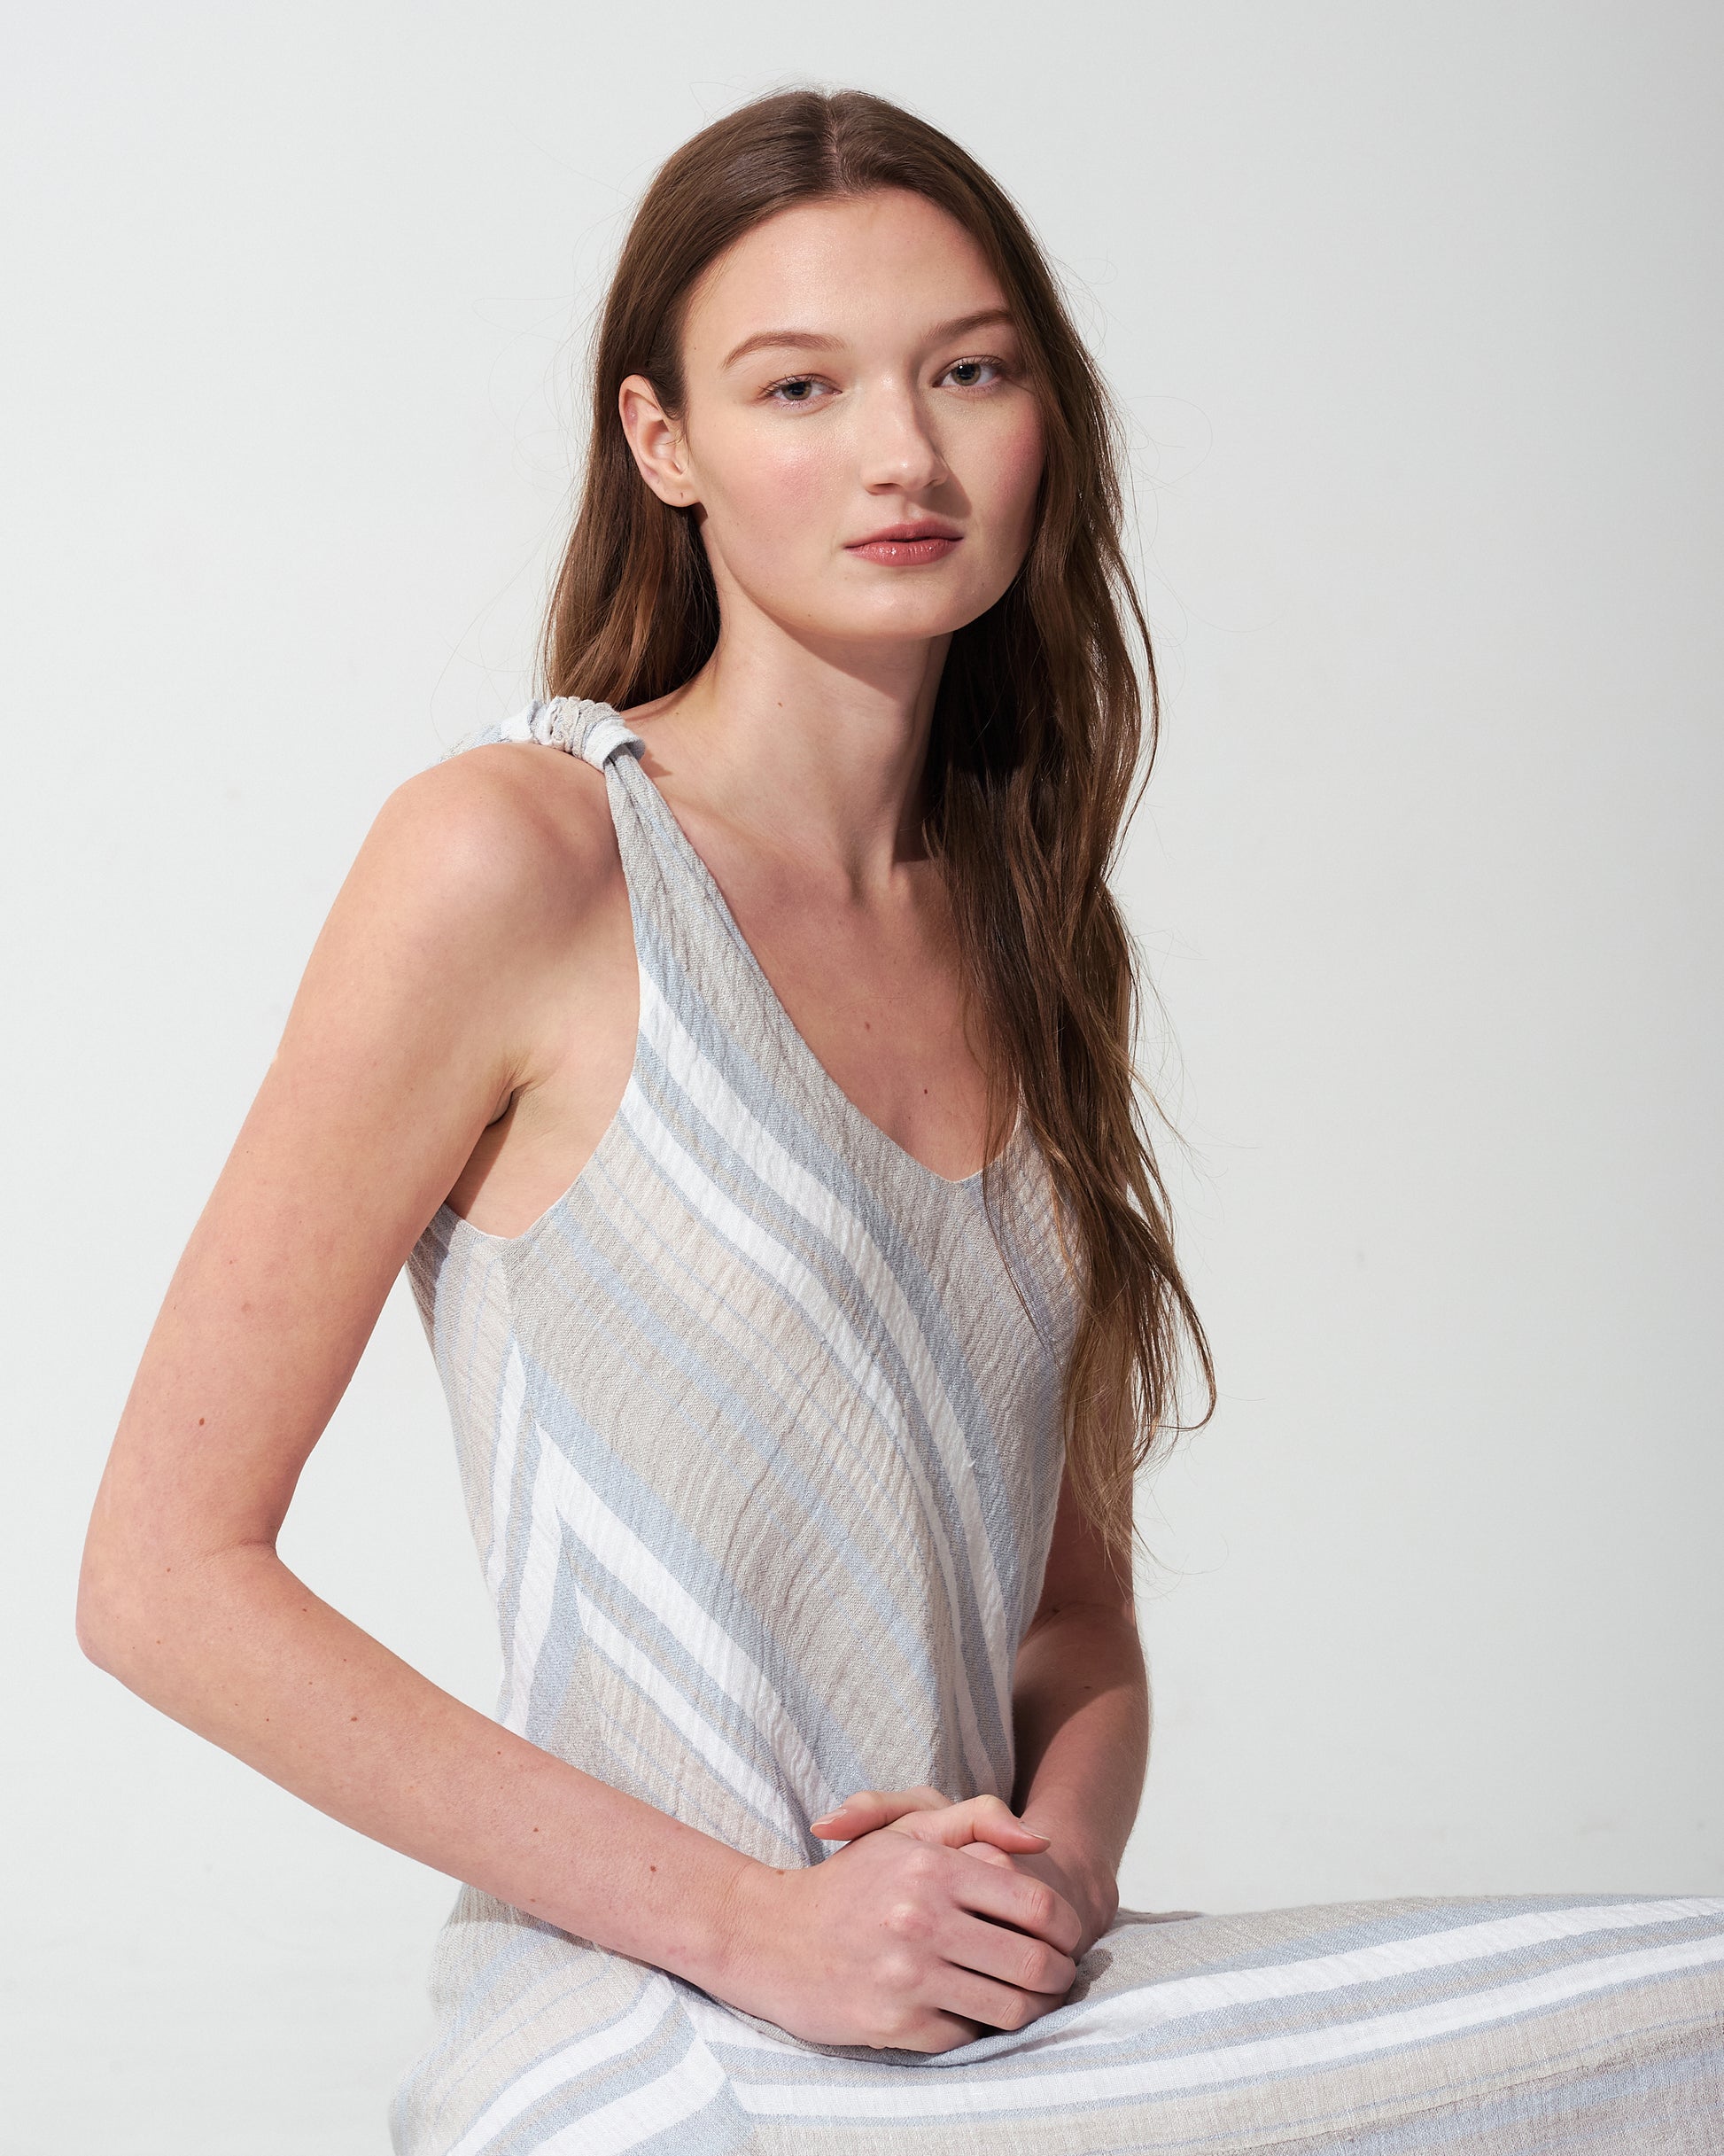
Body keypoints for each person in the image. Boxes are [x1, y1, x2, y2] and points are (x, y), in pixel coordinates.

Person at [78, 86, 1724, 2155]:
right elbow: (156, 1573)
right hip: (645, 2021)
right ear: (660, 444)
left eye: (969, 370)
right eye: (801, 383)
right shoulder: (523, 858)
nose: (903, 453)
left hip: (980, 2034)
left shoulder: (1030, 932)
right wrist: (758, 1926)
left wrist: (1058, 1869)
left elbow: (1071, 1623)